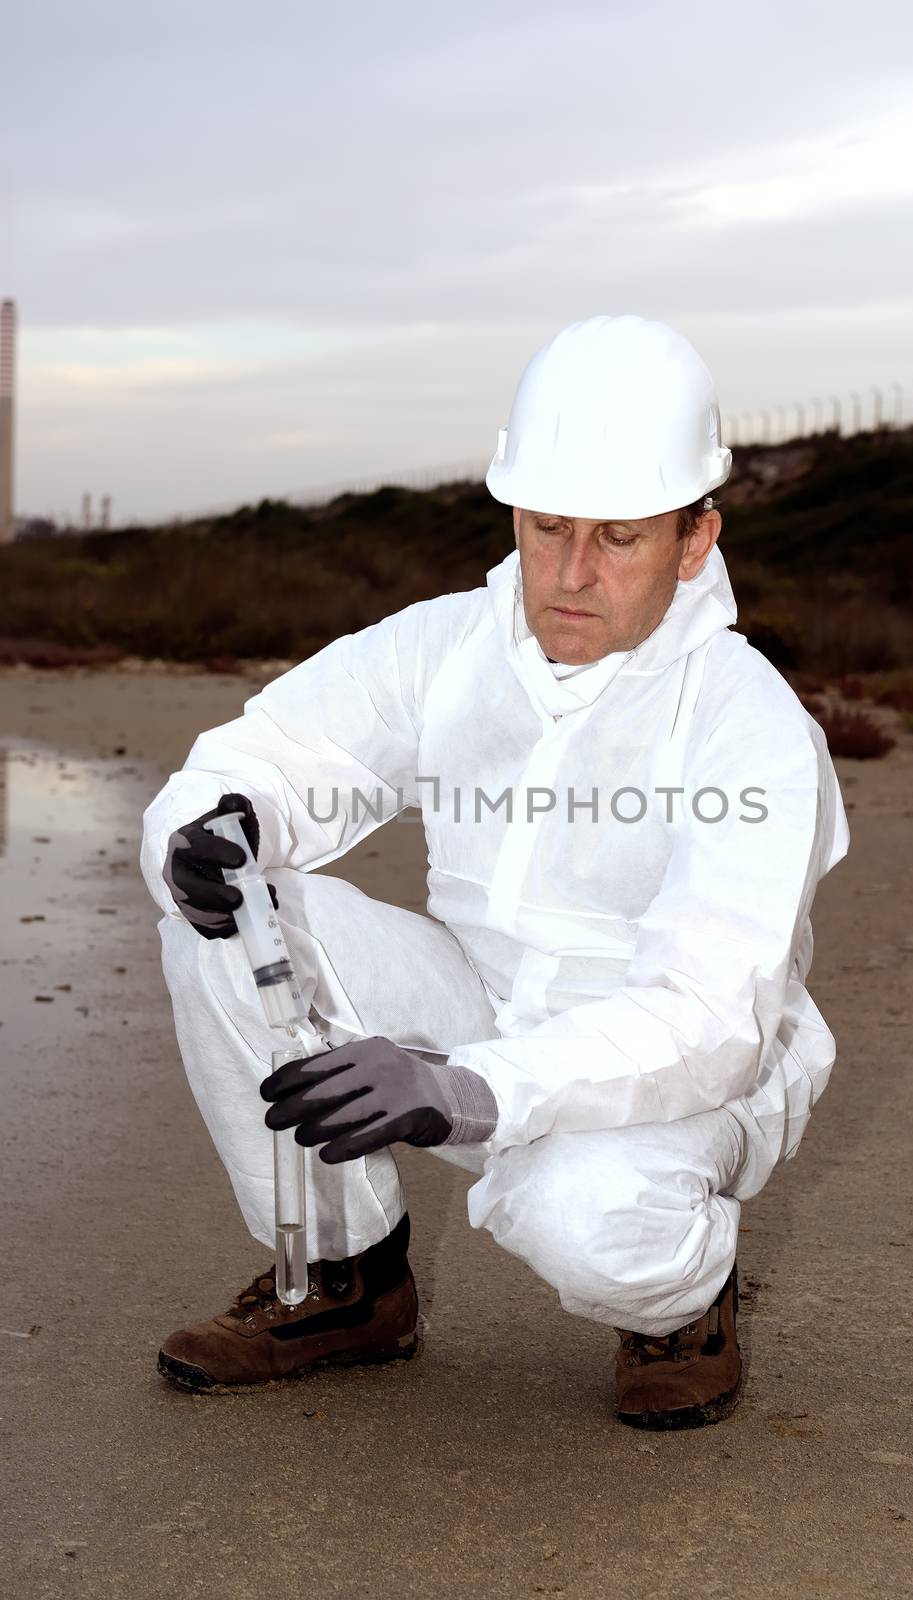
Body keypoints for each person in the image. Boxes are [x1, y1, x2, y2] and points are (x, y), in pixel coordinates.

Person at [141, 314, 850, 1431]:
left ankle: (681, 1301)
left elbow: (711, 1015)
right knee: (236, 913)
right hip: (476, 999)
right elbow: (278, 756)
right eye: (546, 525)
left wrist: (474, 1091)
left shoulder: (748, 725)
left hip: (679, 1068)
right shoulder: (450, 645)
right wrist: (214, 822)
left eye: (618, 536)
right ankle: (345, 1281)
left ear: (696, 535)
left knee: (584, 1214)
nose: (569, 574)